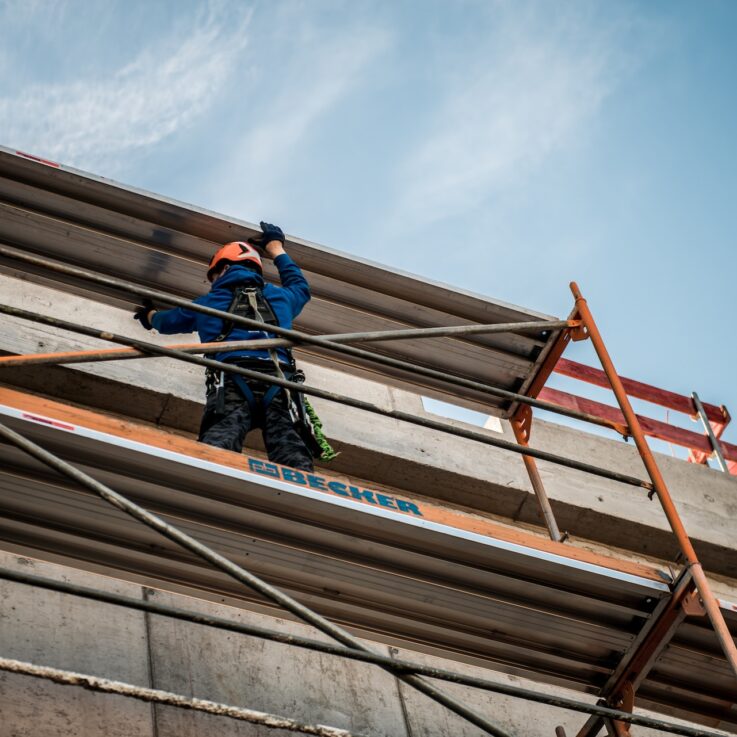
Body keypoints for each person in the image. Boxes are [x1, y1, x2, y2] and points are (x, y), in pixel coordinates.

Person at [133, 221, 315, 471]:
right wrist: (276, 248)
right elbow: (300, 287)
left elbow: (167, 322)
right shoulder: (282, 297)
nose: (212, 281)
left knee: (220, 443)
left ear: (225, 268)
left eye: (214, 275)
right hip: (281, 382)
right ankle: (303, 492)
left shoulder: (207, 303)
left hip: (232, 380)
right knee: (291, 450)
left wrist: (149, 315)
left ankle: (210, 478)